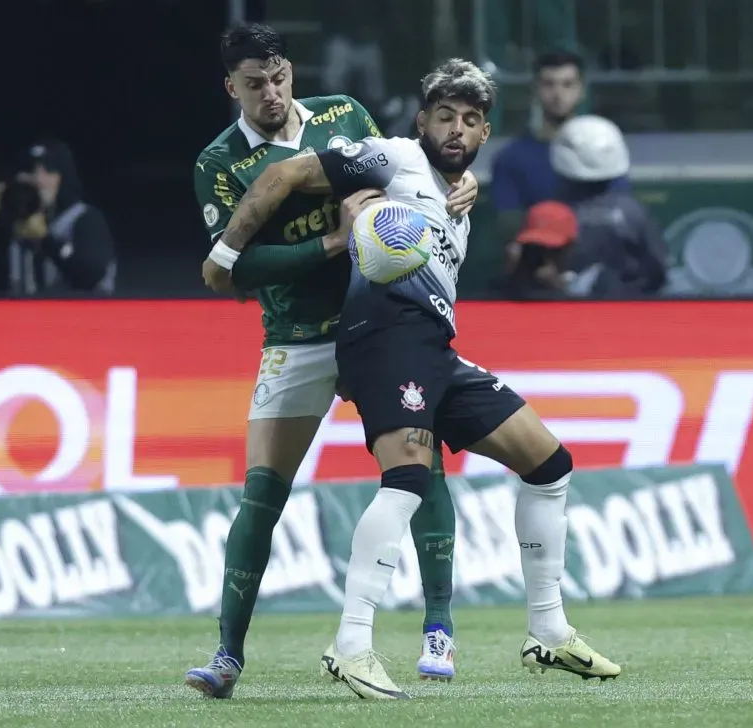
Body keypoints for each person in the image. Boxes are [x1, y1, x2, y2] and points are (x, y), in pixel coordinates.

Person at [210, 58, 622, 700]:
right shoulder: (394, 158)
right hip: (382, 339)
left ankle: (548, 631)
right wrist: (225, 254)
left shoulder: (458, 198)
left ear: (485, 133)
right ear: (422, 121)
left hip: (433, 349)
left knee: (549, 464)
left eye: (470, 120)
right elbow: (285, 174)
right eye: (444, 117)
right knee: (405, 481)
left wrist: (465, 189)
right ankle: (351, 644)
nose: (456, 129)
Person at [187, 23, 481, 698]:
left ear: (290, 70)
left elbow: (406, 179)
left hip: (377, 321)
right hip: (296, 334)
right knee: (262, 494)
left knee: (420, 464)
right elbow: (235, 269)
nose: (271, 93)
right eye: (255, 84)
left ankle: (439, 627)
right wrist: (331, 243)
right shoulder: (218, 162)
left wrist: (461, 183)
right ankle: (227, 656)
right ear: (231, 87)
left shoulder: (342, 114)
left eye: (279, 77)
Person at [490, 50, 629, 261]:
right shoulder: (511, 158)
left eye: (567, 84)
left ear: (581, 90)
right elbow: (508, 224)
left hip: (599, 263)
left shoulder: (605, 150)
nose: (558, 94)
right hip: (538, 264)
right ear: (535, 89)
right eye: (549, 84)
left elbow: (619, 212)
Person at [0, 139, 117, 295]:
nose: (38, 180)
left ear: (63, 177)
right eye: (31, 171)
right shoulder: (12, 228)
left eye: (48, 171)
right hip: (21, 310)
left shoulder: (84, 220)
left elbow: (89, 277)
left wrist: (47, 240)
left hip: (79, 310)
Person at [551, 115, 666, 298]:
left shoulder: (549, 215)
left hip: (565, 310)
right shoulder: (633, 213)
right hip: (628, 308)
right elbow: (658, 271)